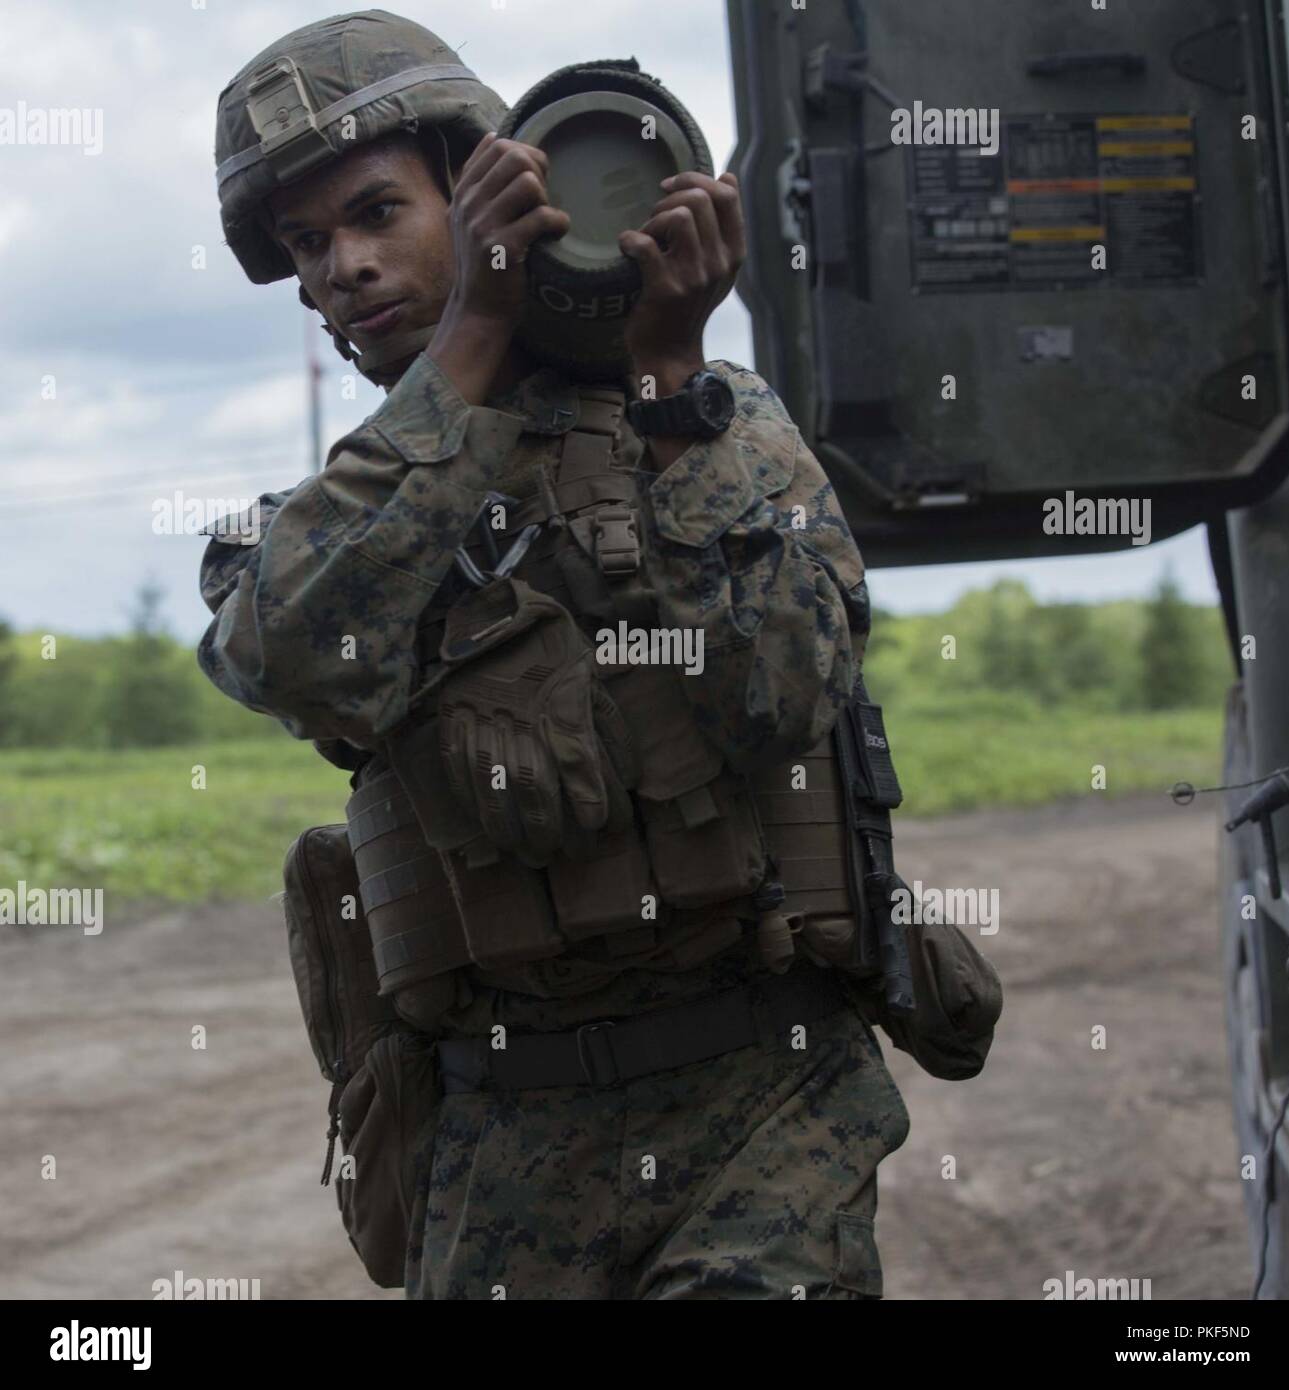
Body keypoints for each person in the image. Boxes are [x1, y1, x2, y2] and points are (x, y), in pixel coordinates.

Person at [200, 9, 910, 1300]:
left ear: (494, 186)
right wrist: (472, 335)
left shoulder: (714, 417)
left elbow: (788, 694)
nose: (339, 272)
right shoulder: (334, 520)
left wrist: (671, 385)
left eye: (374, 215)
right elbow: (281, 651)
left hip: (761, 1103)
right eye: (308, 246)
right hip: (502, 1131)